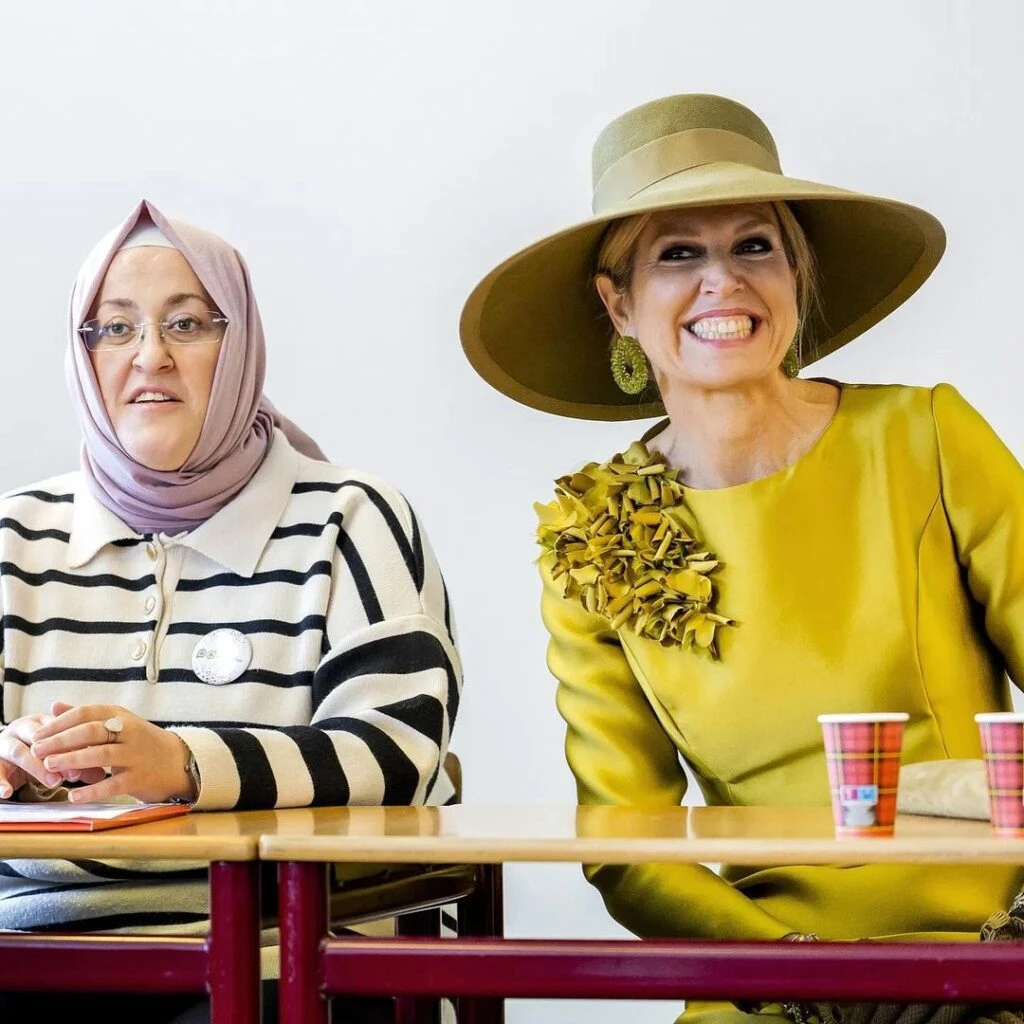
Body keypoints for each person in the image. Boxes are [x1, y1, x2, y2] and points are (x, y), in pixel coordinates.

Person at [459, 93, 1024, 1023]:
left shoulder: (926, 436)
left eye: (755, 245)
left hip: (989, 959)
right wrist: (794, 973)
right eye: (678, 253)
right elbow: (627, 842)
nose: (723, 281)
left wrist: (1006, 945)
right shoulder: (593, 534)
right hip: (768, 983)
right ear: (618, 304)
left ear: (796, 274)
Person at [0, 199, 461, 1023]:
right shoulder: (16, 537)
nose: (150, 356)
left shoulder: (349, 519)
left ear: (241, 342)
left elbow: (400, 753)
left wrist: (183, 764)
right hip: (36, 953)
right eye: (114, 328)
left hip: (286, 957)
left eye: (187, 324)